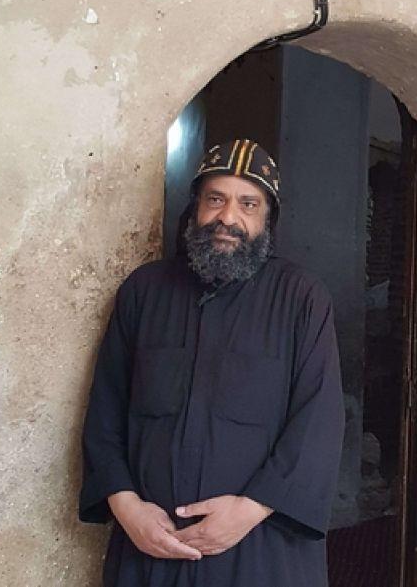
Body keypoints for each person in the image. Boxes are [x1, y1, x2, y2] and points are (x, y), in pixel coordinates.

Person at [79, 138, 345, 587]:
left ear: (267, 220)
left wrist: (249, 510)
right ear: (196, 207)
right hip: (150, 550)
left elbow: (317, 421)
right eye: (215, 199)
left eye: (248, 204)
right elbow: (106, 411)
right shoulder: (144, 292)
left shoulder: (300, 297)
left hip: (261, 550)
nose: (228, 217)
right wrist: (128, 509)